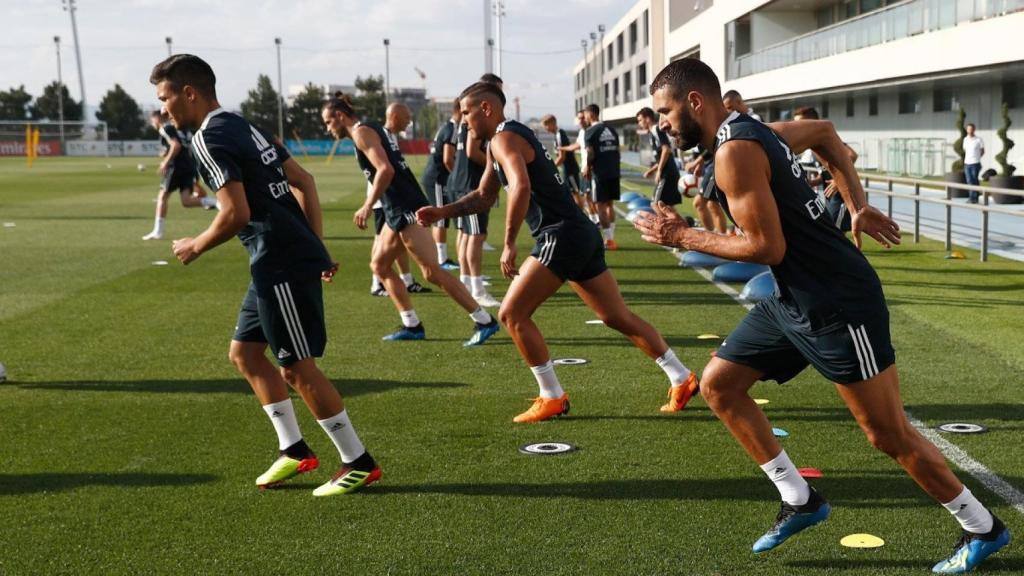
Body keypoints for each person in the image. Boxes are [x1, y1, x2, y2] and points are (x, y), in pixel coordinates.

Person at [635, 58, 1008, 573]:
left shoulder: (735, 150)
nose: (663, 123)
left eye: (666, 111)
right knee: (720, 384)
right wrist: (855, 204)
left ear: (694, 101)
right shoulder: (756, 130)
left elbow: (765, 246)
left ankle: (982, 528)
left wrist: (681, 236)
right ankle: (800, 499)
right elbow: (827, 135)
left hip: (837, 303)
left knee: (888, 434)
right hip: (792, 300)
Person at [151, 54, 380, 496]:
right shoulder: (242, 124)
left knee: (296, 368)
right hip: (276, 260)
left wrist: (195, 245)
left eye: (165, 98)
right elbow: (305, 181)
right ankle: (293, 450)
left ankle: (358, 461)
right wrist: (318, 246)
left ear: (189, 93)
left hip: (280, 261)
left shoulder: (207, 140)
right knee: (246, 355)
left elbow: (236, 213)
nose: (165, 110)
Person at [416, 81, 699, 423]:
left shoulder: (504, 138)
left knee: (511, 315)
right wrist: (442, 212)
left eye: (466, 112)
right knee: (616, 316)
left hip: (560, 234)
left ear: (486, 109)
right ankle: (681, 377)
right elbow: (484, 196)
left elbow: (520, 186)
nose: (463, 121)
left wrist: (508, 244)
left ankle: (551, 396)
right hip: (578, 233)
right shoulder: (499, 142)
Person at [320, 92, 500, 345]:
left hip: (404, 206)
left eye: (328, 122)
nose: (328, 129)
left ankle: (484, 320)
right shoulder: (370, 129)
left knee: (431, 272)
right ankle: (411, 324)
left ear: (340, 116)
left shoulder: (361, 133)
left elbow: (386, 169)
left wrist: (367, 205)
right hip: (397, 207)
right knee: (379, 266)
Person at [368, 102, 431, 296]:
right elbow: (380, 170)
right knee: (380, 238)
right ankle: (377, 283)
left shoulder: (391, 137)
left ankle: (407, 280)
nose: (409, 122)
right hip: (384, 198)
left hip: (395, 198)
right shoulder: (379, 135)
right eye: (406, 118)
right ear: (394, 116)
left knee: (399, 239)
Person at [142, 110, 218, 240]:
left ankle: (158, 232)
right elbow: (184, 146)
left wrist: (166, 162)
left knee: (162, 197)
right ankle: (216, 202)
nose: (152, 123)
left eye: (152, 120)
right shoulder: (181, 129)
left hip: (176, 167)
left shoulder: (165, 128)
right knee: (186, 201)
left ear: (158, 119)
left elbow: (176, 145)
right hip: (188, 166)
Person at [793, 106, 857, 232]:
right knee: (829, 232)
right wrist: (811, 183)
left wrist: (838, 181)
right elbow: (826, 170)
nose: (797, 126)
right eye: (795, 123)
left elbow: (852, 155)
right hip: (829, 195)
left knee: (835, 233)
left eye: (801, 123)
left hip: (841, 196)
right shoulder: (812, 142)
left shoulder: (826, 140)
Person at [419, 98, 462, 271]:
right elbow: (447, 159)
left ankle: (442, 258)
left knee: (442, 218)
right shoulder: (452, 129)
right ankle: (441, 260)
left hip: (439, 178)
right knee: (441, 218)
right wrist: (457, 178)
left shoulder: (448, 127)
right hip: (437, 178)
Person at [582, 104, 621, 250]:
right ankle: (612, 238)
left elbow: (590, 152)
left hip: (601, 173)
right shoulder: (612, 130)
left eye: (585, 114)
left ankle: (609, 240)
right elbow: (617, 151)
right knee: (610, 204)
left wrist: (588, 166)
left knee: (601, 206)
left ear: (590, 114)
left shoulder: (590, 131)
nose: (585, 117)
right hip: (614, 171)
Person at [542, 114, 593, 218]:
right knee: (571, 193)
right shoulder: (557, 135)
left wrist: (550, 167)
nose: (545, 129)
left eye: (546, 126)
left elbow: (562, 157)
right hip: (566, 169)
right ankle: (579, 214)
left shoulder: (560, 134)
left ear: (552, 123)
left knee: (576, 193)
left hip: (570, 169)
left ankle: (581, 216)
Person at [636, 107, 682, 207]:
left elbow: (666, 150)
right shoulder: (653, 133)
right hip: (670, 173)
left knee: (656, 205)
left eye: (640, 120)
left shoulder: (656, 129)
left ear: (647, 119)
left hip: (667, 175)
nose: (639, 123)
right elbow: (662, 157)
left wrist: (659, 171)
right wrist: (652, 170)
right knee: (667, 207)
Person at [963, 123, 985, 204]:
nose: (970, 131)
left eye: (971, 129)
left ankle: (974, 197)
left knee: (974, 180)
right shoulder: (965, 139)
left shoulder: (978, 139)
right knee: (969, 181)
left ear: (974, 130)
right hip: (967, 163)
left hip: (975, 163)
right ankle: (972, 197)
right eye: (968, 129)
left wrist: (977, 158)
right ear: (967, 130)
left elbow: (982, 151)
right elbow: (965, 150)